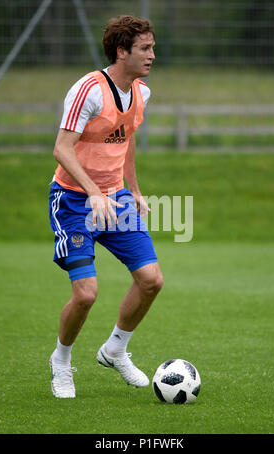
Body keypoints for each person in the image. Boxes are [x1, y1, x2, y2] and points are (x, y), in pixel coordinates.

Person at [48, 15, 163, 398]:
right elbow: (62, 148)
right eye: (144, 48)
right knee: (86, 294)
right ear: (121, 51)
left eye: (151, 46)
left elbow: (125, 142)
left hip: (117, 198)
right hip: (75, 201)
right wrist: (93, 191)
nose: (152, 54)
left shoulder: (141, 93)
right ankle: (61, 362)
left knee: (151, 281)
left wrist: (134, 189)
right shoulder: (89, 89)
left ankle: (115, 349)